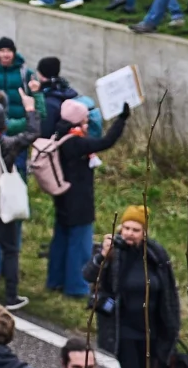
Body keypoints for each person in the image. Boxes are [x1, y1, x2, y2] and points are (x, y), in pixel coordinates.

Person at [86, 207, 182, 368]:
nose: (129, 233)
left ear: (144, 232)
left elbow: (168, 288)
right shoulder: (112, 253)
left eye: (135, 229)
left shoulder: (156, 254)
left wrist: (171, 324)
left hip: (150, 328)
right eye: (126, 228)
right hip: (122, 327)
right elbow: (88, 275)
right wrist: (102, 256)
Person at [30, 97, 127, 302]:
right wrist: (121, 119)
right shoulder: (76, 142)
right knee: (79, 244)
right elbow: (106, 142)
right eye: (84, 119)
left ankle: (55, 281)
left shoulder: (59, 134)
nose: (87, 122)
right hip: (79, 200)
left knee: (60, 241)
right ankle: (76, 286)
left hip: (62, 197)